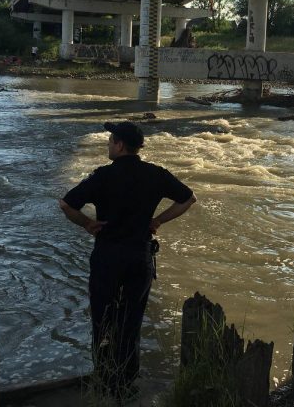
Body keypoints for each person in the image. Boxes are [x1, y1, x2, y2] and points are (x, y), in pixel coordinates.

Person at [59, 121, 196, 399]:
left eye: (111, 140)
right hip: (139, 255)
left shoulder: (102, 176)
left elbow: (66, 204)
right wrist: (157, 220)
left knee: (103, 318)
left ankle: (104, 376)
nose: (108, 144)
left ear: (120, 145)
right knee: (131, 320)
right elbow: (188, 199)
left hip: (108, 255)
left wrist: (87, 223)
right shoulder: (155, 174)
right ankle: (126, 381)